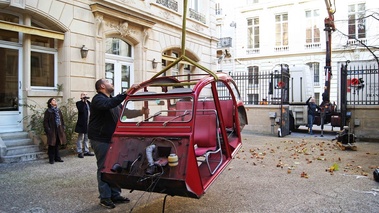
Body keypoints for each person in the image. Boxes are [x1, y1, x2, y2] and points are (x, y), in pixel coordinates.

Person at [88, 79, 148, 209]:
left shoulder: (113, 101)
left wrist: (140, 112)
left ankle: (115, 194)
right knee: (104, 167)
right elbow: (108, 104)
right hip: (100, 139)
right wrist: (126, 92)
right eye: (109, 82)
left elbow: (125, 113)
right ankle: (105, 197)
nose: (112, 84)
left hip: (113, 139)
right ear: (102, 86)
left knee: (116, 165)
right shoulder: (98, 99)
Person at [43, 98, 67, 164]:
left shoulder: (58, 110)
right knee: (51, 144)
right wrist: (48, 129)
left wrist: (63, 127)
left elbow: (61, 119)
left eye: (55, 100)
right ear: (50, 103)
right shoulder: (48, 111)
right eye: (53, 100)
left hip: (59, 129)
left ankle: (57, 157)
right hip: (52, 130)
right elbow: (45, 122)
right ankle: (51, 159)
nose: (55, 101)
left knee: (57, 144)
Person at [75, 92, 94, 158]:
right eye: (83, 95)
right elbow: (81, 110)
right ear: (81, 96)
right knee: (80, 138)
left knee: (87, 138)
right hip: (82, 123)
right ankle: (79, 151)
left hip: (88, 123)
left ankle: (86, 151)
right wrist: (83, 101)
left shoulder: (89, 103)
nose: (85, 96)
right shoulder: (79, 103)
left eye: (86, 95)